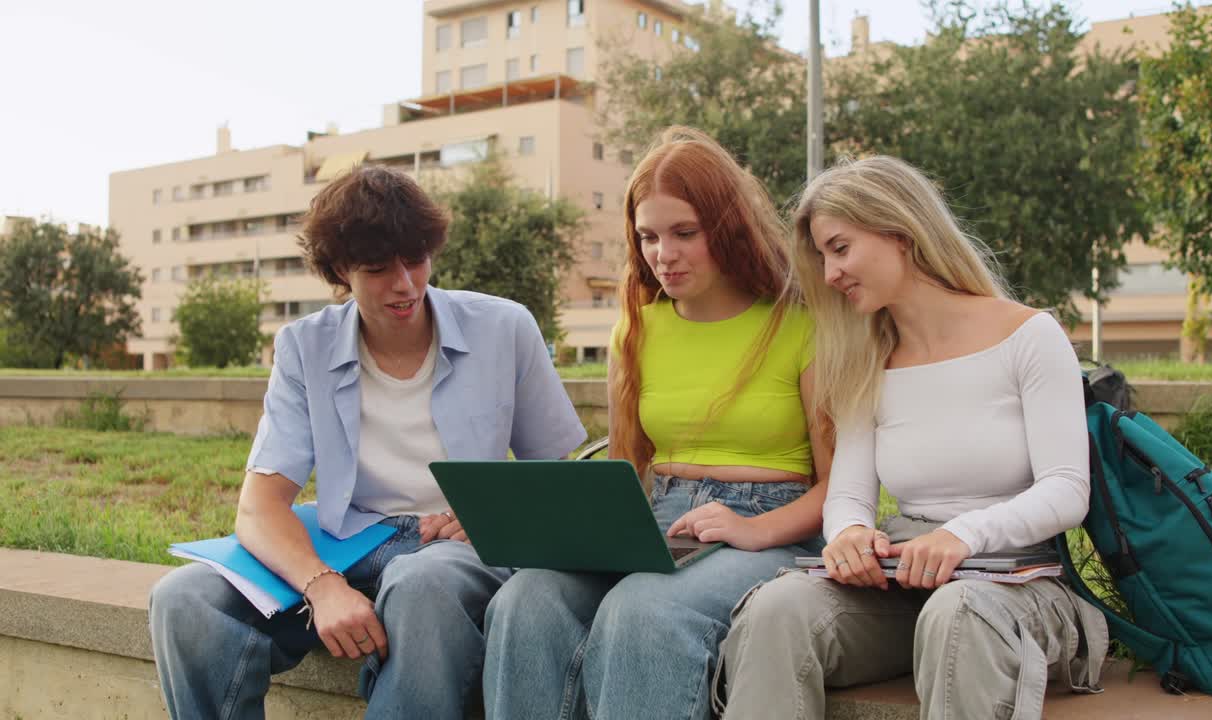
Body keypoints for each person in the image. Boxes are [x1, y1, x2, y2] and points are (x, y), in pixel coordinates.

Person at [148, 166, 586, 720]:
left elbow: (559, 482)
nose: (404, 284)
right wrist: (322, 586)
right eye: (378, 269)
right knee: (184, 601)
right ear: (339, 270)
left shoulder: (505, 328)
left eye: (417, 259)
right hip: (348, 540)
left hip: (456, 553)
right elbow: (259, 507)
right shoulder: (304, 347)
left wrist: (496, 511)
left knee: (419, 582)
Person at [715, 155, 1108, 719]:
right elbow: (849, 492)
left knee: (960, 614)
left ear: (900, 233)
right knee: (776, 609)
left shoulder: (1029, 336)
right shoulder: (866, 357)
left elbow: (1068, 490)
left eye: (840, 248)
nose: (829, 275)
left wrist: (962, 536)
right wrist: (849, 533)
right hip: (908, 582)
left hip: (1014, 583)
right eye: (822, 257)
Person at [482, 126, 833, 720]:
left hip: (774, 525)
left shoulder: (801, 323)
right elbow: (623, 471)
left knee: (644, 610)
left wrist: (754, 529)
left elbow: (840, 485)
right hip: (661, 522)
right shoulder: (637, 329)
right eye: (647, 236)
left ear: (726, 226)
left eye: (684, 234)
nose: (662, 255)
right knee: (525, 599)